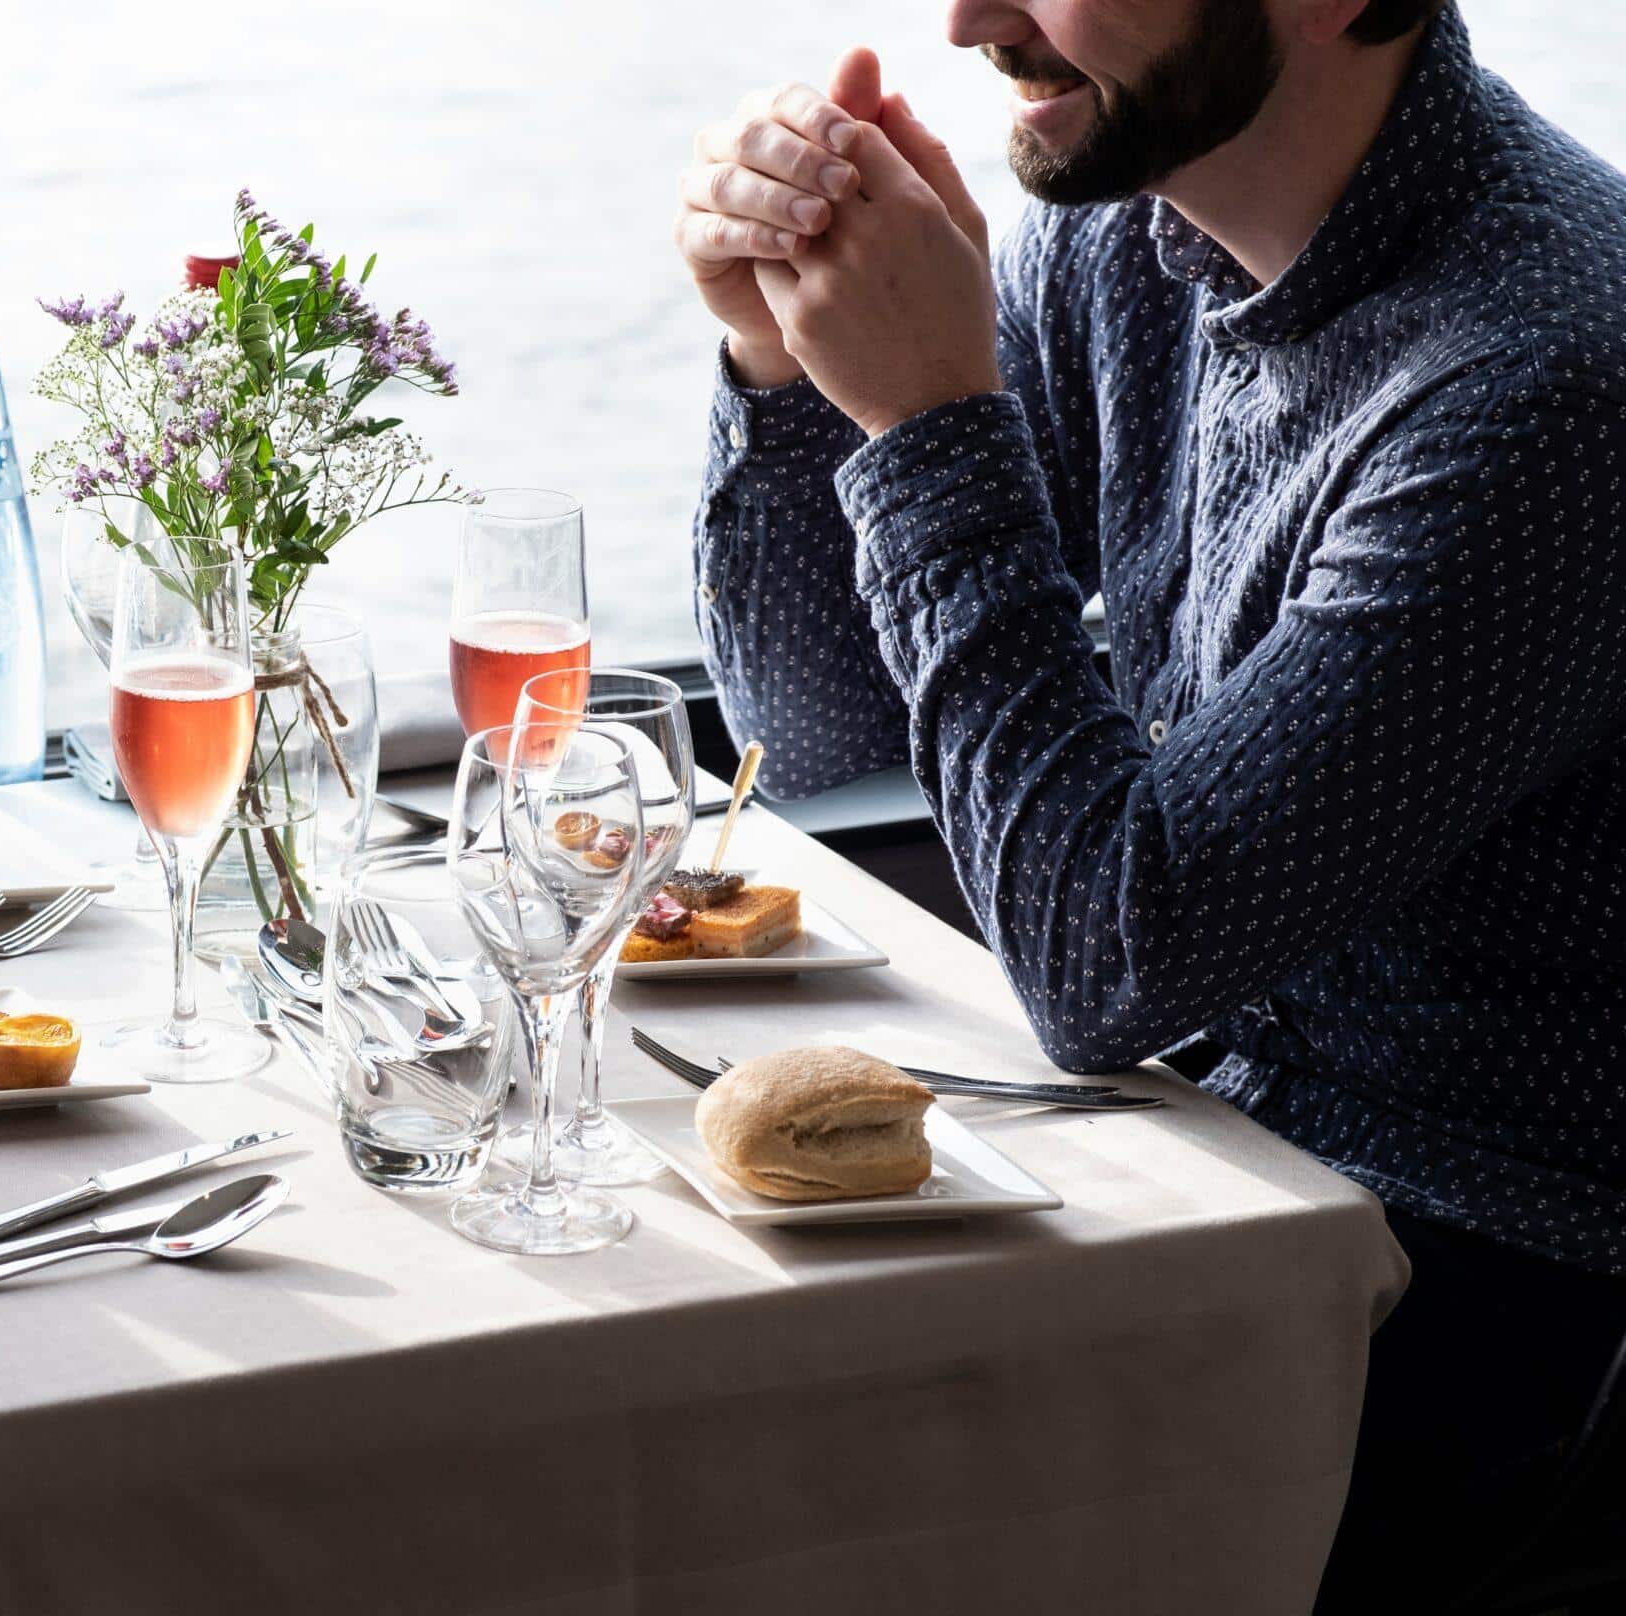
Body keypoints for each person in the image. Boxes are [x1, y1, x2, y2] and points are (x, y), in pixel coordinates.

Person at [672, 0, 1625, 1606]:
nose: (972, 17)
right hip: (1186, 1167)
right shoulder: (1133, 229)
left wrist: (926, 424)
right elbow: (818, 727)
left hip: (1491, 1302)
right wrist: (781, 365)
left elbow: (1109, 966)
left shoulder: (1546, 377)